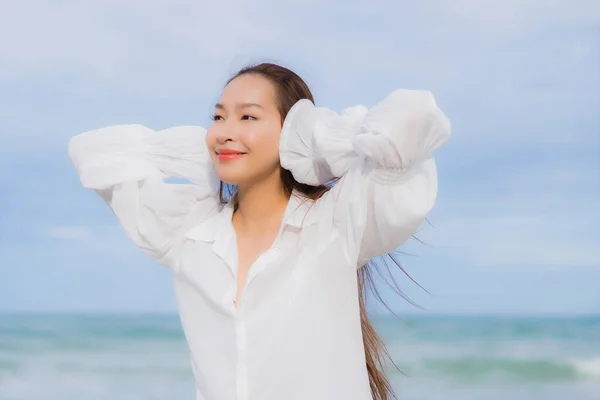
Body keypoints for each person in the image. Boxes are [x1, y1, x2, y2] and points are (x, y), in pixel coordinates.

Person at [68, 62, 451, 400]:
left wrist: (320, 139)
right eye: (218, 118)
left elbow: (413, 121)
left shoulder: (334, 224)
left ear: (292, 132)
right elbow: (95, 153)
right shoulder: (187, 232)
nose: (224, 132)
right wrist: (196, 156)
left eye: (248, 117)